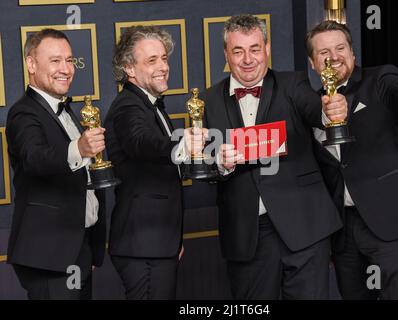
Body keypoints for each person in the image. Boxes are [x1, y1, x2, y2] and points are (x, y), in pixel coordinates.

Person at [201, 14, 348, 299]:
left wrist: (329, 112)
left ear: (267, 49)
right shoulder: (208, 100)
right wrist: (219, 161)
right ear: (225, 54)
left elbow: (314, 111)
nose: (248, 59)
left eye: (255, 49)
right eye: (238, 51)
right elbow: (204, 160)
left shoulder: (293, 84)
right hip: (247, 234)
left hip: (304, 225)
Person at [305, 20, 398, 299]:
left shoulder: (380, 79)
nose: (333, 57)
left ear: (353, 54)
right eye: (323, 53)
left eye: (340, 48)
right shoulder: (311, 106)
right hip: (344, 233)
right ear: (312, 63)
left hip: (391, 220)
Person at [105, 25, 205, 299]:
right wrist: (183, 142)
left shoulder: (151, 104)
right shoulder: (128, 105)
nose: (163, 66)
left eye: (164, 58)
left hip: (160, 242)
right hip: (142, 246)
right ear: (129, 69)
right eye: (152, 60)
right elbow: (141, 143)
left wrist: (174, 240)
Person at [6, 28, 107, 299]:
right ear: (31, 64)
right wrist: (79, 148)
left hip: (77, 248)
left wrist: (89, 250)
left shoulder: (65, 110)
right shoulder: (23, 113)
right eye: (55, 61)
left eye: (70, 60)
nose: (66, 69)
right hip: (49, 254)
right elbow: (35, 158)